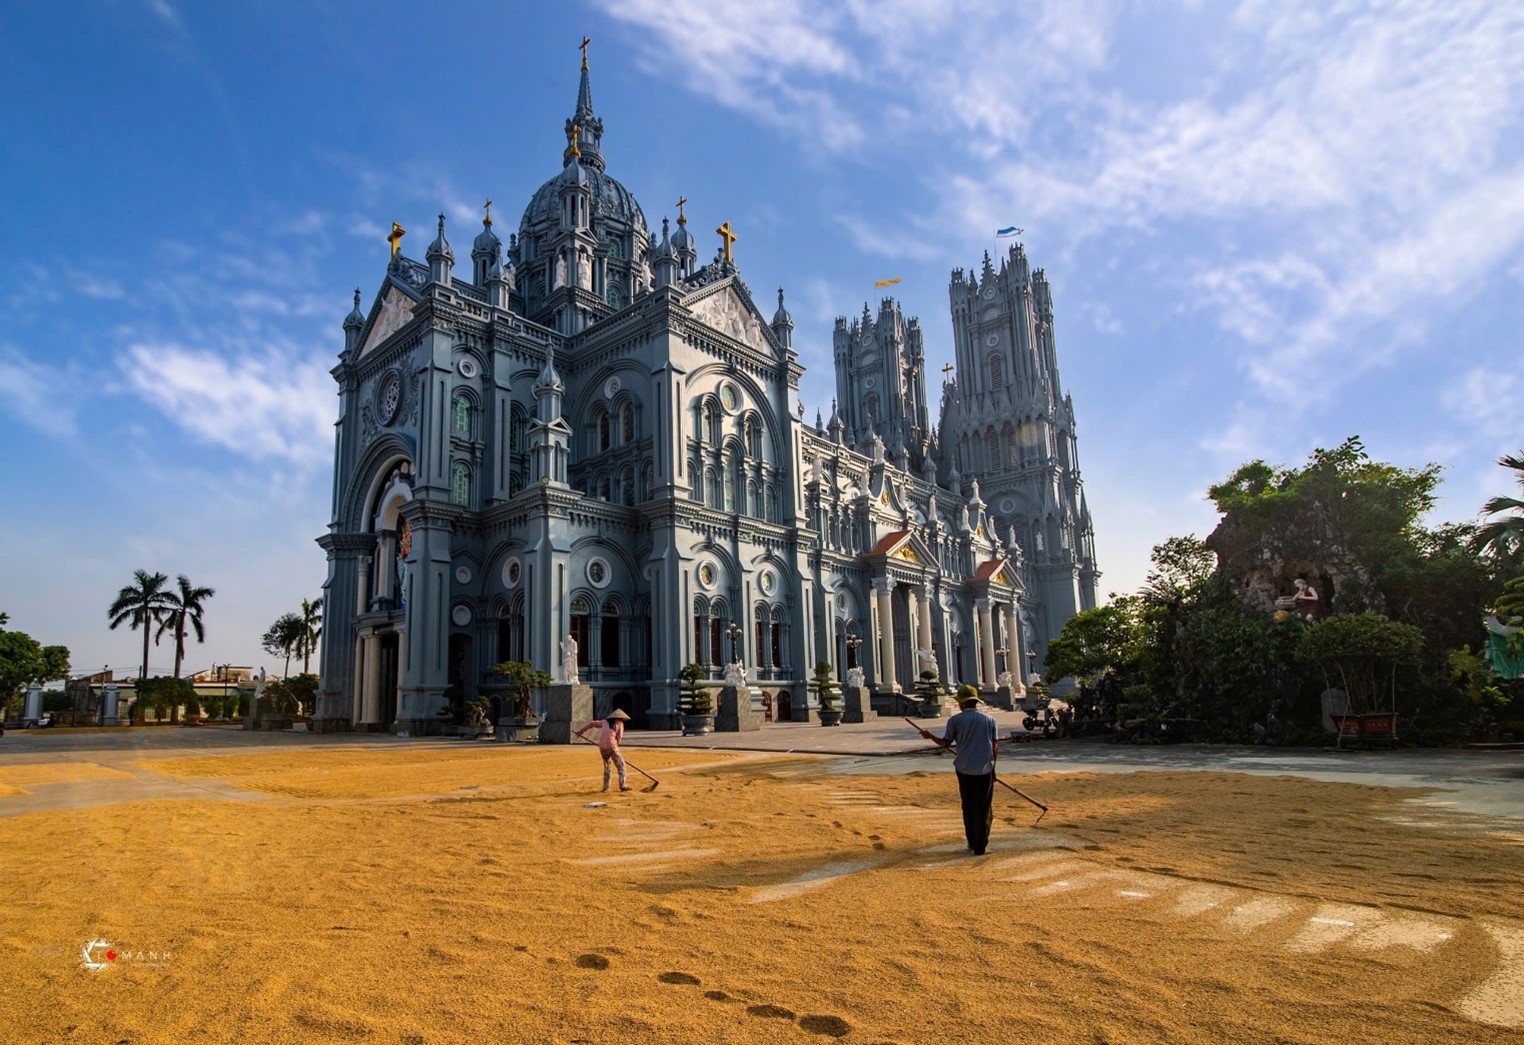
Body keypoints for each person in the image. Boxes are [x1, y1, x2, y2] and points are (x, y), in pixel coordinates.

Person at [919, 685, 999, 855]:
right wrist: (994, 769)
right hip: (985, 768)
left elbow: (945, 743)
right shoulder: (990, 720)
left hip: (963, 769)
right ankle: (981, 845)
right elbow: (995, 746)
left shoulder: (955, 721)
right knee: (983, 807)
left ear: (962, 704)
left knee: (968, 805)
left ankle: (972, 841)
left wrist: (930, 736)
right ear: (975, 702)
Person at [576, 709, 632, 792]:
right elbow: (619, 738)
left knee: (607, 767)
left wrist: (581, 731)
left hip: (602, 747)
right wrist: (615, 748)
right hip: (612, 746)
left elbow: (592, 724)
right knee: (621, 766)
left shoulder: (604, 722)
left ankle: (606, 787)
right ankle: (622, 785)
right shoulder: (620, 723)